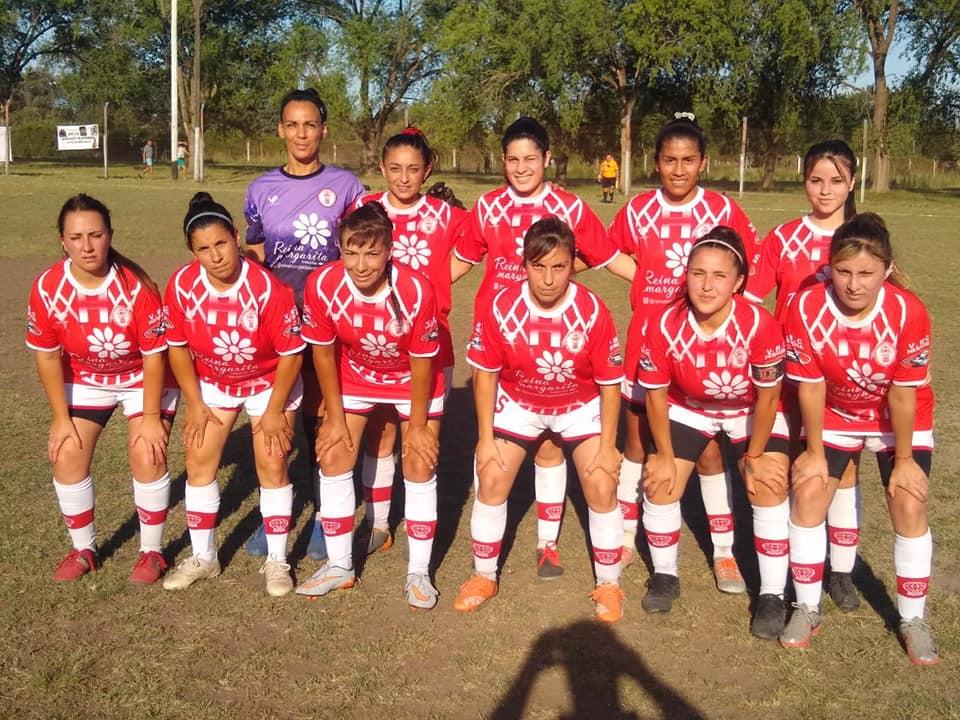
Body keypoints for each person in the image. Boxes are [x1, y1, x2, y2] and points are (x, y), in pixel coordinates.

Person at [453, 116, 635, 579]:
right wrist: (416, 292)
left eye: (529, 159)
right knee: (492, 456)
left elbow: (609, 257)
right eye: (512, 159)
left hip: (559, 338)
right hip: (502, 337)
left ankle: (547, 545)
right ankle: (485, 564)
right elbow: (459, 260)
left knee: (552, 446)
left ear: (547, 160)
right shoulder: (488, 206)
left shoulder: (569, 207)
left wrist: (668, 289)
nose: (520, 168)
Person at [609, 114, 762, 594]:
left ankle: (723, 553)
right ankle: (625, 537)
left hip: (705, 351)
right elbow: (608, 252)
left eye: (688, 161)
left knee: (712, 454)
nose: (678, 170)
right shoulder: (637, 210)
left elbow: (747, 270)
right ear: (656, 163)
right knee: (636, 444)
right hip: (648, 343)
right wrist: (642, 280)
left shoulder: (721, 208)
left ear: (704, 163)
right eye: (669, 161)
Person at [781, 213, 939, 665]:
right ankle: (807, 608)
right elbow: (810, 386)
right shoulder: (806, 307)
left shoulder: (909, 311)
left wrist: (904, 459)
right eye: (844, 271)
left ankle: (913, 619)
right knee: (809, 494)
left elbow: (903, 393)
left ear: (886, 270)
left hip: (896, 419)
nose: (854, 284)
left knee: (908, 501)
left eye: (867, 273)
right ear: (829, 267)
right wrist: (813, 452)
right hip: (833, 414)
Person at [453, 217, 626, 621]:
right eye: (538, 266)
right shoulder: (501, 306)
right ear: (524, 264)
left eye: (559, 267)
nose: (548, 278)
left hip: (578, 407)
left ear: (573, 265)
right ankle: (483, 576)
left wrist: (607, 445)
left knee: (601, 482)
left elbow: (610, 384)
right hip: (520, 405)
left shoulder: (592, 310)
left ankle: (608, 583)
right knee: (492, 476)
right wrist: (484, 439)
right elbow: (486, 377)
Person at [635, 228, 790, 638]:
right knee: (660, 481)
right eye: (697, 273)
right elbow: (656, 397)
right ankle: (666, 576)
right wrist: (664, 455)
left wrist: (755, 458)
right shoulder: (665, 322)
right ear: (684, 275)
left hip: (748, 411)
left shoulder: (760, 323)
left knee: (767, 485)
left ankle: (772, 595)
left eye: (719, 276)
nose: (706, 285)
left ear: (739, 282)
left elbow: (769, 399)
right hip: (690, 409)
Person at [295, 202, 444, 609]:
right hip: (356, 377)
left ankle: (418, 572)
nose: (361, 265)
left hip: (413, 382)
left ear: (391, 250)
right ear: (339, 248)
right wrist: (335, 420)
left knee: (419, 461)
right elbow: (323, 355)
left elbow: (422, 363)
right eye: (351, 251)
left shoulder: (416, 290)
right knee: (334, 454)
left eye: (372, 253)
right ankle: (340, 566)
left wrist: (416, 427)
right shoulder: (322, 285)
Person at [27, 194, 177, 584]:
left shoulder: (137, 287)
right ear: (62, 240)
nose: (87, 245)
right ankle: (84, 550)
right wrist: (61, 420)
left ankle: (152, 552)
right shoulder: (47, 287)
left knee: (148, 452)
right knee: (67, 455)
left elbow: (154, 358)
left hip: (142, 380)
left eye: (96, 234)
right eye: (76, 237)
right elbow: (46, 357)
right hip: (84, 380)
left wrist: (149, 419)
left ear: (110, 234)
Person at [161, 193, 305, 597]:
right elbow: (176, 346)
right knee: (198, 459)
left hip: (270, 383)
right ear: (193, 252)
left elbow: (292, 356)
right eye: (203, 249)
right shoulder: (182, 285)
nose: (216, 256)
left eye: (221, 244)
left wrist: (275, 410)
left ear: (237, 238)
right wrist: (195, 402)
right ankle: (204, 557)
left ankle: (277, 561)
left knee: (272, 463)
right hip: (214, 382)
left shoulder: (267, 289)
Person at [243, 88, 365, 560]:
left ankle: (323, 514)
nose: (301, 133)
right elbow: (255, 253)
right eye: (292, 125)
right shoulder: (260, 189)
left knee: (320, 417)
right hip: (276, 323)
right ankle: (276, 511)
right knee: (279, 423)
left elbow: (362, 248)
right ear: (280, 129)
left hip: (329, 321)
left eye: (310, 124)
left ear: (323, 130)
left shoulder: (347, 185)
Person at [746, 140, 864, 612]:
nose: (826, 190)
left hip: (840, 384)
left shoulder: (863, 238)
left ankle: (840, 571)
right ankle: (774, 589)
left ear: (852, 182)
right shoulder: (783, 238)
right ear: (804, 181)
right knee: (774, 472)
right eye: (816, 179)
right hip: (786, 379)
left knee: (842, 474)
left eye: (836, 180)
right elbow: (752, 301)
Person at [349, 128, 466, 554]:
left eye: (413, 170)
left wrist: (438, 284)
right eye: (395, 169)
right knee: (379, 435)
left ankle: (420, 544)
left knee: (419, 444)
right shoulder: (364, 208)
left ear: (427, 170)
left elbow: (486, 243)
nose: (403, 178)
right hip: (371, 345)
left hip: (429, 346)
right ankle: (378, 525)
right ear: (382, 168)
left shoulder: (447, 215)